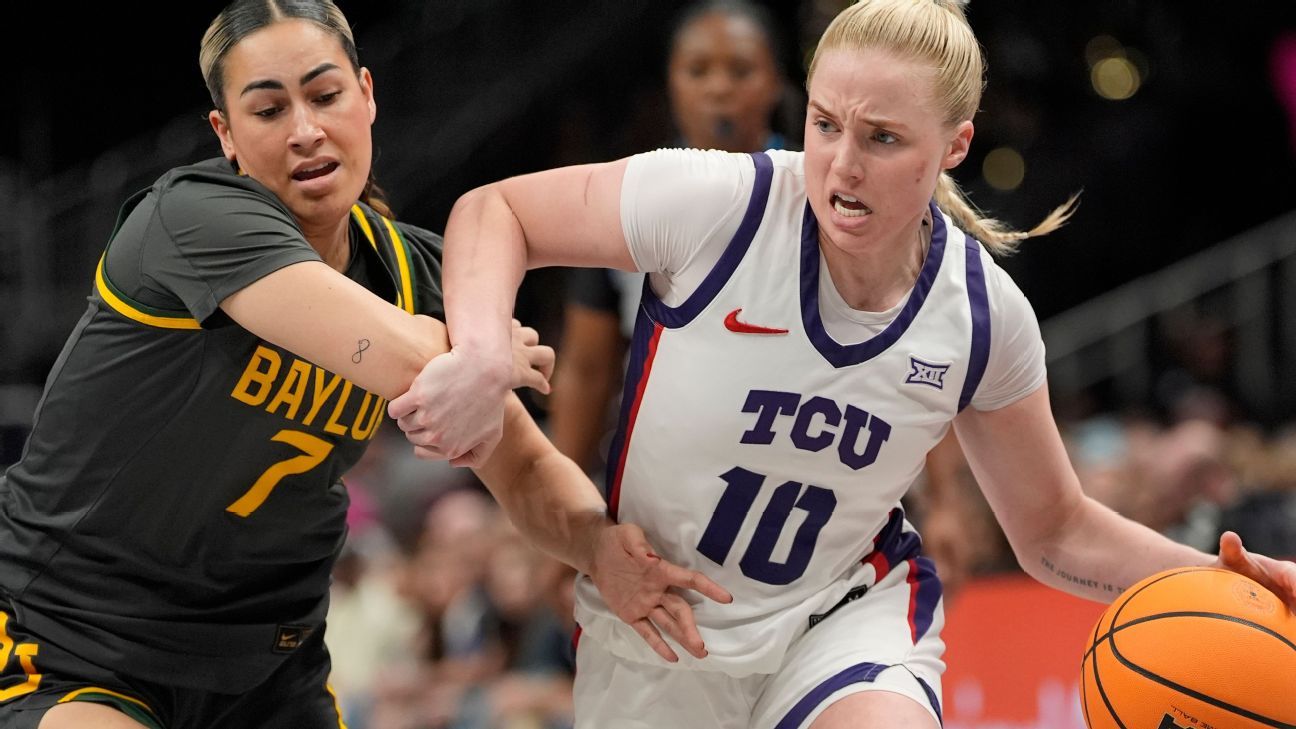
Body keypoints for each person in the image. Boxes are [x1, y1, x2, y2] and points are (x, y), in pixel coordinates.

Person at [392, 0, 1296, 726]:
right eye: (826, 125)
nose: (842, 166)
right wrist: (482, 348)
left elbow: (1054, 530)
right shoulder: (720, 204)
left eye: (883, 138)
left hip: (839, 617)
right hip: (656, 623)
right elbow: (496, 210)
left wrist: (1229, 582)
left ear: (955, 145)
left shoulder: (982, 316)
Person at [0, 2, 724, 727]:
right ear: (225, 135)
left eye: (325, 95)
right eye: (268, 109)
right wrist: (489, 351)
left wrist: (598, 546)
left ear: (367, 95)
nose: (305, 130)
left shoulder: (421, 275)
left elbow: (526, 468)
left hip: (266, 666)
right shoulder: (191, 218)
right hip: (77, 633)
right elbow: (408, 355)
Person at [551, 0, 792, 474]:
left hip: (788, 459)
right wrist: (561, 496)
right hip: (664, 468)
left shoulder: (819, 196)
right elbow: (587, 368)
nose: (719, 88)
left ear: (774, 83)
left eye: (741, 70)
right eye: (698, 71)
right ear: (671, 84)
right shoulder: (629, 199)